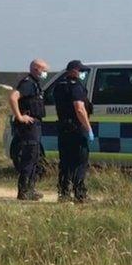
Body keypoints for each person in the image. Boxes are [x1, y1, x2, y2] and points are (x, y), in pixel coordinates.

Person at [53, 60, 94, 202]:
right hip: (76, 129)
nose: (82, 73)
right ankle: (80, 194)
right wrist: (88, 128)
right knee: (80, 162)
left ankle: (63, 193)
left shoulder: (58, 86)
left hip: (63, 128)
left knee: (65, 162)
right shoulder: (76, 87)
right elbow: (79, 108)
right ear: (73, 71)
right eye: (80, 71)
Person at [9, 59, 49, 201]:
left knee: (34, 157)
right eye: (44, 70)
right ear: (36, 69)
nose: (46, 73)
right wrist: (19, 116)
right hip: (29, 126)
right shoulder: (28, 83)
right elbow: (13, 97)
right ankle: (24, 191)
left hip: (35, 125)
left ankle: (30, 189)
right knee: (29, 157)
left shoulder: (35, 84)